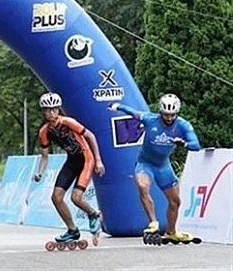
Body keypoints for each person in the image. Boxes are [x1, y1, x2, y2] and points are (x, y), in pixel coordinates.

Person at [108, 93, 201, 243]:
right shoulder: (150, 119)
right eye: (166, 115)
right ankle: (153, 222)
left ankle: (171, 231)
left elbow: (196, 145)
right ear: (160, 112)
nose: (169, 118)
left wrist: (183, 143)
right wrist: (117, 106)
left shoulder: (183, 125)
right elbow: (133, 113)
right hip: (145, 163)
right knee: (142, 186)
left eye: (172, 115)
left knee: (175, 201)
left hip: (163, 166)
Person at [33, 92, 105, 244]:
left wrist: (98, 160)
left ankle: (93, 214)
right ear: (43, 111)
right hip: (72, 161)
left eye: (54, 109)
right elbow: (45, 156)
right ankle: (72, 230)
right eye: (48, 110)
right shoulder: (44, 131)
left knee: (76, 198)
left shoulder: (68, 122)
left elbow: (90, 136)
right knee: (56, 197)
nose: (51, 113)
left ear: (59, 109)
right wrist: (40, 172)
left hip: (86, 159)